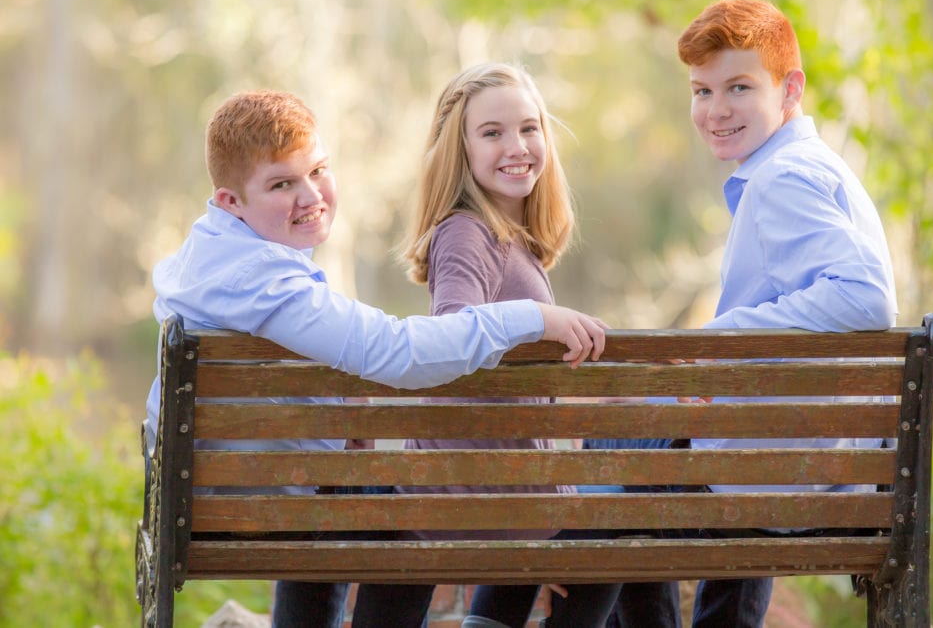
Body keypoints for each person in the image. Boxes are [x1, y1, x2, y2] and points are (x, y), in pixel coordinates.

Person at [142, 89, 608, 628]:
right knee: (404, 503)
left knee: (366, 486)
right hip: (268, 501)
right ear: (230, 200)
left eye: (317, 170)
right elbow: (398, 353)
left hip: (217, 497)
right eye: (281, 184)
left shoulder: (210, 252)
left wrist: (343, 416)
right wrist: (530, 317)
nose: (311, 194)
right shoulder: (266, 282)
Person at [599, 0, 899, 627]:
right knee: (682, 430)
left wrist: (719, 338)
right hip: (816, 467)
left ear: (790, 89)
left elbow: (865, 296)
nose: (716, 110)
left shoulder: (780, 179)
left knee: (609, 446)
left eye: (739, 87)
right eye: (701, 91)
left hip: (785, 477)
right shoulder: (814, 168)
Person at [350, 63, 622, 628]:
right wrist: (538, 316)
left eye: (529, 128)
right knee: (627, 513)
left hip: (486, 492)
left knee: (609, 506)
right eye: (492, 132)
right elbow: (454, 328)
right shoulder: (466, 231)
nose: (517, 145)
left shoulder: (510, 238)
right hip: (480, 497)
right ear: (461, 151)